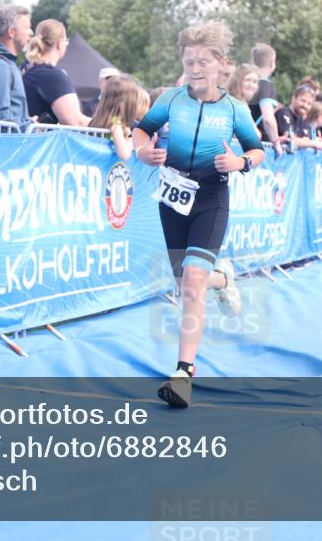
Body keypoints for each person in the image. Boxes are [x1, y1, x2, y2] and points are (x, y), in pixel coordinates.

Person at [132, 21, 265, 408]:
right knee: (186, 281)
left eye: (203, 62)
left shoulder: (235, 110)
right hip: (172, 197)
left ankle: (183, 374)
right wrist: (143, 151)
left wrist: (238, 162)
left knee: (191, 281)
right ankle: (223, 279)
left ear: (221, 64)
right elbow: (142, 132)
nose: (195, 69)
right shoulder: (171, 100)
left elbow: (259, 150)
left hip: (211, 197)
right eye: (189, 61)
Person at [22, 19, 91, 127]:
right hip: (40, 142)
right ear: (59, 43)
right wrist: (113, 131)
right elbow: (77, 122)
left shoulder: (26, 68)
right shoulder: (52, 75)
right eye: (66, 41)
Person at [89, 74, 149, 160]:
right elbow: (124, 154)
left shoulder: (103, 119)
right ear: (125, 101)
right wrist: (130, 138)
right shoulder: (115, 123)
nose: (137, 103)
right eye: (136, 99)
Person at [247, 43, 281, 151]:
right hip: (258, 146)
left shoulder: (243, 82)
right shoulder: (266, 85)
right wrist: (276, 142)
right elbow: (268, 119)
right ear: (272, 63)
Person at [274, 84, 322, 151]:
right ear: (294, 98)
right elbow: (290, 140)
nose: (305, 105)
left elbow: (308, 140)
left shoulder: (303, 121)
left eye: (309, 103)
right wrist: (312, 143)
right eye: (303, 101)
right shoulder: (283, 113)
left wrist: (307, 142)